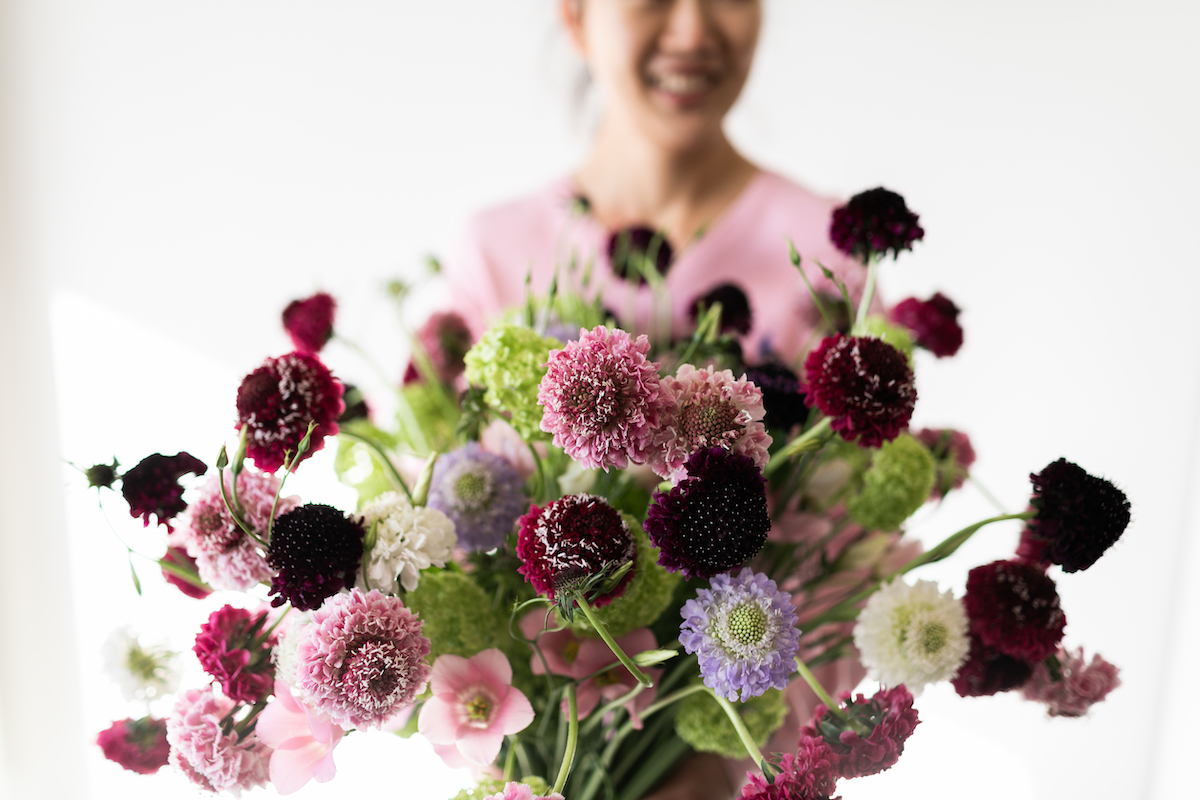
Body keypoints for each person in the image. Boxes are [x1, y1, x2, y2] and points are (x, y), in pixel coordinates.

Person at [443, 2, 873, 798]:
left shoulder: (828, 253)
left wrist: (721, 765)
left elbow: (850, 568)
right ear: (576, 18)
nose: (692, 31)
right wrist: (510, 758)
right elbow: (446, 555)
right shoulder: (496, 252)